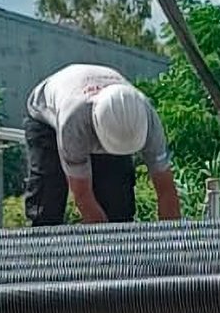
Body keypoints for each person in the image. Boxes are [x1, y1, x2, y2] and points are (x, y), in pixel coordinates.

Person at [23, 63, 181, 225]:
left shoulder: (147, 119)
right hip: (47, 120)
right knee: (48, 205)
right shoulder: (73, 121)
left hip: (99, 111)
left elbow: (166, 190)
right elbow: (83, 196)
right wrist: (106, 244)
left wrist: (174, 241)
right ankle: (45, 247)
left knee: (119, 209)